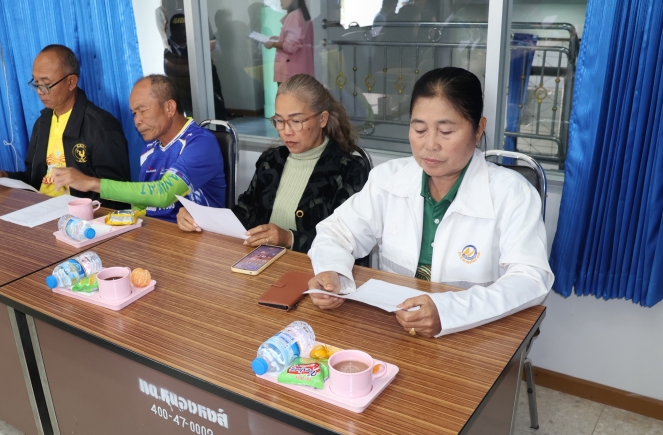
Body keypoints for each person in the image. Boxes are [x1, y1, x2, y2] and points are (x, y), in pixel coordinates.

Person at [307, 67, 553, 337]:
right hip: (394, 328)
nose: (430, 144)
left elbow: (530, 278)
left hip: (474, 335)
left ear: (478, 129)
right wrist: (332, 271)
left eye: (446, 131)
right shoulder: (388, 179)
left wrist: (450, 312)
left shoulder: (512, 193)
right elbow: (336, 232)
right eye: (420, 129)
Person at [176, 74, 368, 253]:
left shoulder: (349, 170)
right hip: (263, 262)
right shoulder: (271, 161)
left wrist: (289, 239)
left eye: (296, 121)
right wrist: (199, 218)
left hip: (318, 272)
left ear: (322, 119)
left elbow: (350, 242)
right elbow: (246, 212)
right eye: (279, 121)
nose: (286, 131)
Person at [52, 75, 225, 222]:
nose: (137, 121)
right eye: (134, 113)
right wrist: (117, 221)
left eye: (143, 111)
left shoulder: (201, 143)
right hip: (156, 235)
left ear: (169, 108)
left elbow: (163, 193)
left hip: (199, 238)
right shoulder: (149, 150)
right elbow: (143, 207)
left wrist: (91, 183)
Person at [0, 45, 130, 199]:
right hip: (42, 206)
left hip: (79, 211)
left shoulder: (102, 126)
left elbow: (116, 193)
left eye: (46, 84)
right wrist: (5, 176)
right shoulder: (42, 124)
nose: (39, 91)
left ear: (71, 82)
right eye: (36, 82)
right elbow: (35, 179)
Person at [264, 0, 314, 82]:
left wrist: (272, 44)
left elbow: (291, 46)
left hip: (291, 73)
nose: (280, 0)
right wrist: (280, 39)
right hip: (302, 71)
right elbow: (299, 39)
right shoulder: (302, 14)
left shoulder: (294, 16)